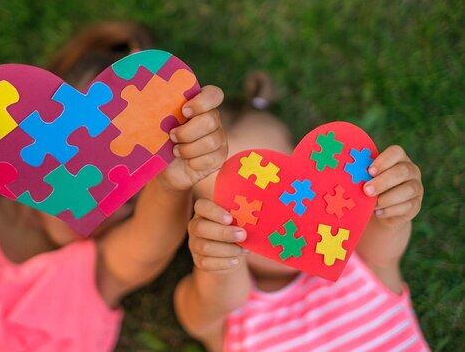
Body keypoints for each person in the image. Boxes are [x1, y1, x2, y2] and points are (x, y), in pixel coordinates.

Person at [0, 22, 228, 352]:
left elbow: (150, 245)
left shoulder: (98, 272)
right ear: (29, 121)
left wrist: (173, 179)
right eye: (80, 141)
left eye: (123, 179)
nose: (86, 167)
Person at [174, 79, 430, 352]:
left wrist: (393, 205)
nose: (286, 214)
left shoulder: (362, 262)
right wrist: (218, 265)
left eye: (286, 185)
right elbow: (210, 304)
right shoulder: (231, 312)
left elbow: (387, 230)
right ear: (202, 222)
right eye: (250, 204)